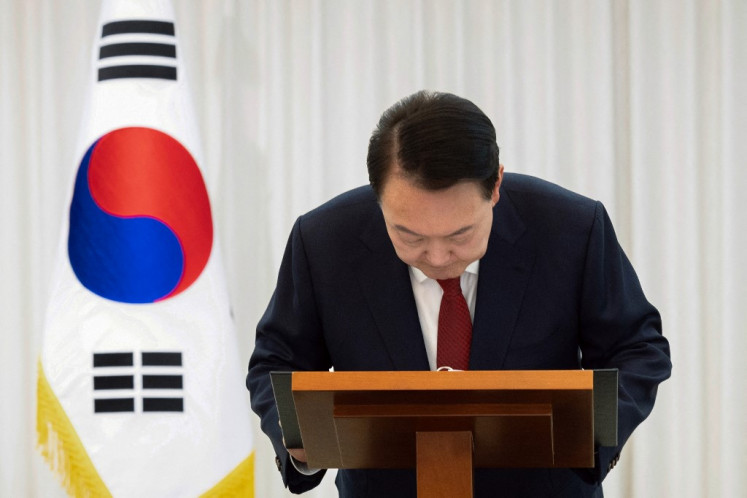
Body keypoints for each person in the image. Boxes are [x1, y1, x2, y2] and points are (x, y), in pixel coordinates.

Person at [247, 90, 672, 497]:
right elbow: (277, 360)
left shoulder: (571, 229)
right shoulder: (323, 241)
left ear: (497, 186)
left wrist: (589, 436)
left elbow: (637, 348)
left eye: (461, 234)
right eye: (408, 235)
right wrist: (301, 441)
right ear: (378, 197)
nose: (436, 256)